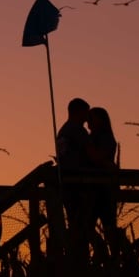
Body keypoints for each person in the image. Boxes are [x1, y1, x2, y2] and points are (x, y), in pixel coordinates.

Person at [56, 98, 91, 266]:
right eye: (85, 113)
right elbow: (90, 152)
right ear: (78, 111)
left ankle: (76, 259)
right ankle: (80, 262)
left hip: (68, 184)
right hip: (79, 184)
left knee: (74, 224)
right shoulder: (77, 130)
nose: (87, 118)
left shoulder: (63, 131)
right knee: (81, 226)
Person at [85, 106, 122, 262]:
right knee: (90, 226)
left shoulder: (104, 137)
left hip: (103, 189)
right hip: (96, 189)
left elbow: (100, 158)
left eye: (90, 119)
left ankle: (111, 257)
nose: (87, 123)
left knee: (106, 226)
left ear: (99, 120)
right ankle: (102, 255)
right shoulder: (95, 137)